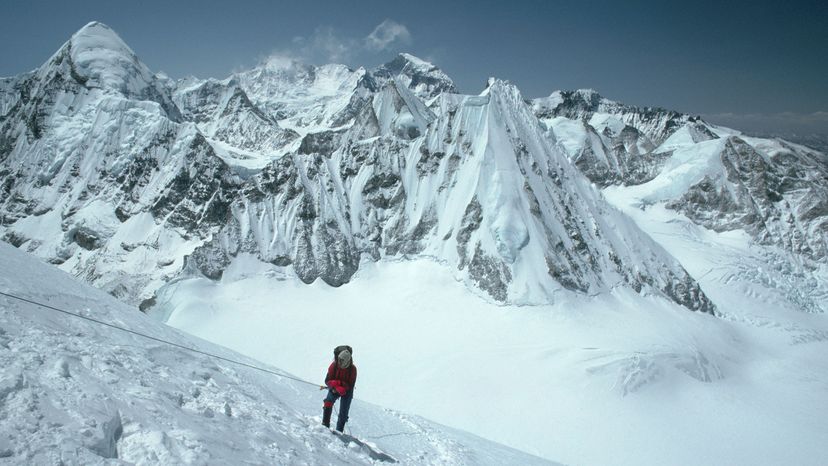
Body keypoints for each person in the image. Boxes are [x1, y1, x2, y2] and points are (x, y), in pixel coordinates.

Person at [322, 345, 357, 432]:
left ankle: (339, 431)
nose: (339, 362)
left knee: (343, 413)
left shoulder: (353, 370)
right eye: (339, 360)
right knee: (328, 401)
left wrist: (340, 386)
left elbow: (350, 385)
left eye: (342, 361)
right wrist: (337, 386)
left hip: (346, 391)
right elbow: (327, 381)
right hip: (335, 387)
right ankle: (325, 425)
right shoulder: (333, 366)